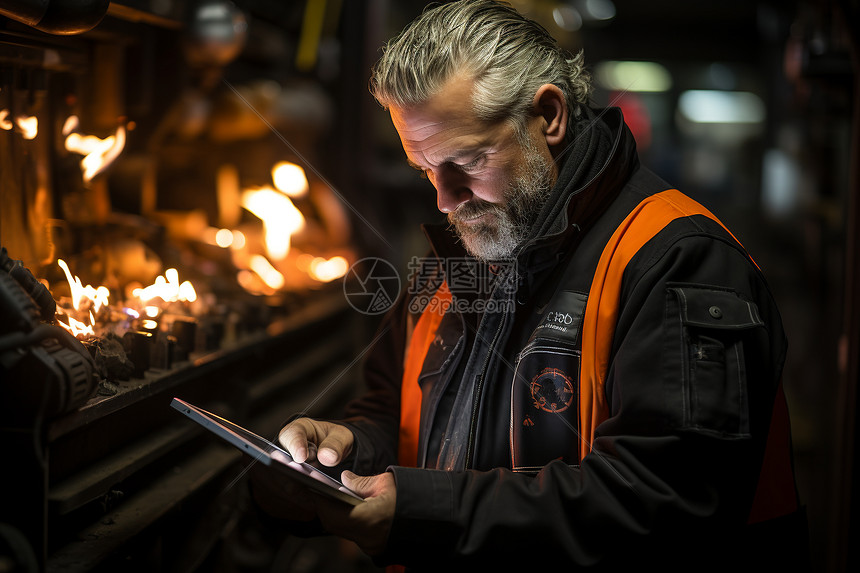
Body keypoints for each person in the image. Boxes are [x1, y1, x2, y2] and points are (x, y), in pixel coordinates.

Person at [252, 1, 809, 569]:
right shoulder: (460, 258)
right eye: (425, 170)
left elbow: (666, 502)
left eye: (466, 161)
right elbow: (393, 413)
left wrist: (427, 512)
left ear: (548, 116)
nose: (445, 200)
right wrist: (343, 451)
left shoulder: (679, 262)